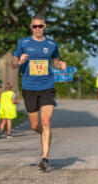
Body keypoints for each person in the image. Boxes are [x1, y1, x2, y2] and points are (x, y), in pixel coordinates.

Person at [11, 14, 66, 171]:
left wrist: (60, 65)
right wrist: (19, 61)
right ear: (31, 27)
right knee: (35, 125)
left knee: (46, 121)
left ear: (45, 26)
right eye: (35, 26)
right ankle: (45, 135)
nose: (37, 29)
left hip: (47, 87)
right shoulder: (23, 43)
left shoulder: (51, 44)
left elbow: (55, 62)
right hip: (29, 87)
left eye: (40, 26)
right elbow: (13, 64)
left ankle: (45, 158)